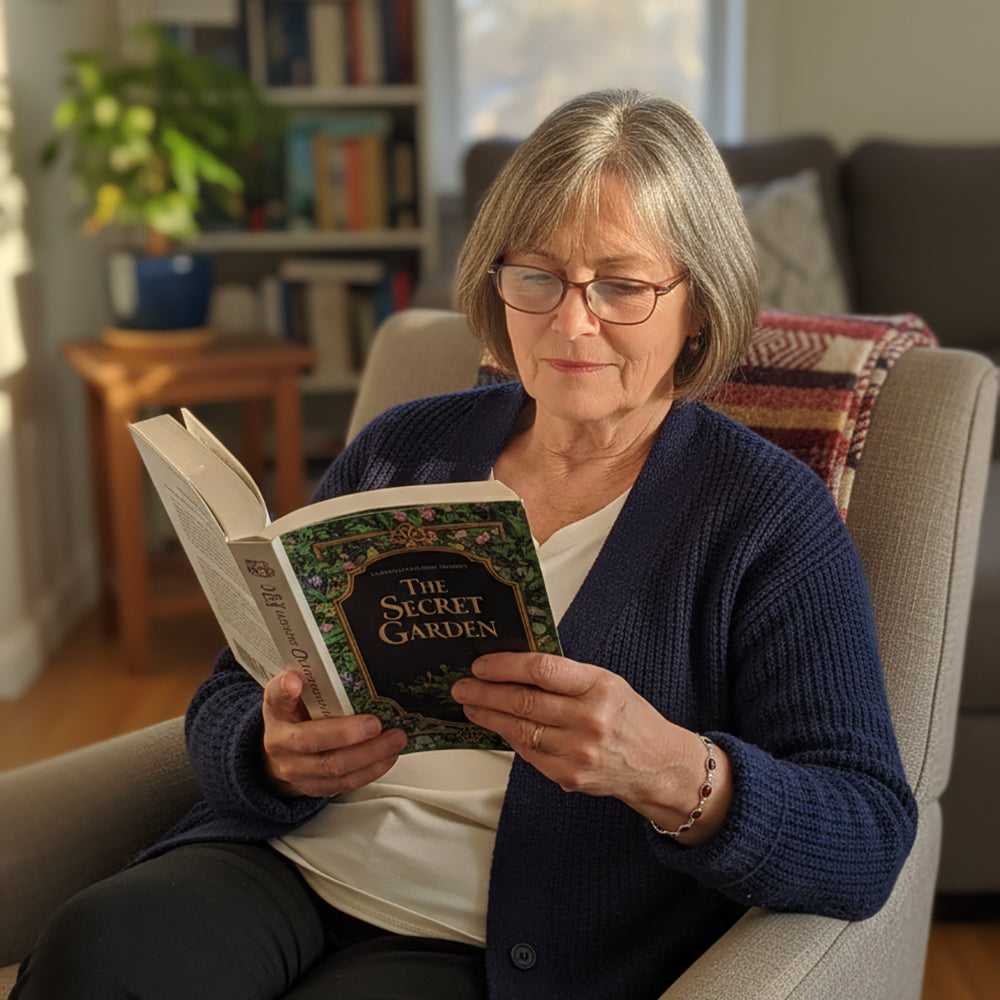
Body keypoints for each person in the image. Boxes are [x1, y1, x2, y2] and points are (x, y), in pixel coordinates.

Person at [13, 89, 917, 1000]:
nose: (572, 323)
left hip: (491, 939)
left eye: (622, 285)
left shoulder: (767, 517)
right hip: (279, 866)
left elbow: (869, 831)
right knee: (98, 946)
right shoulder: (405, 447)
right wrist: (268, 751)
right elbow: (229, 690)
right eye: (538, 277)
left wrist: (677, 772)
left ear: (697, 303)